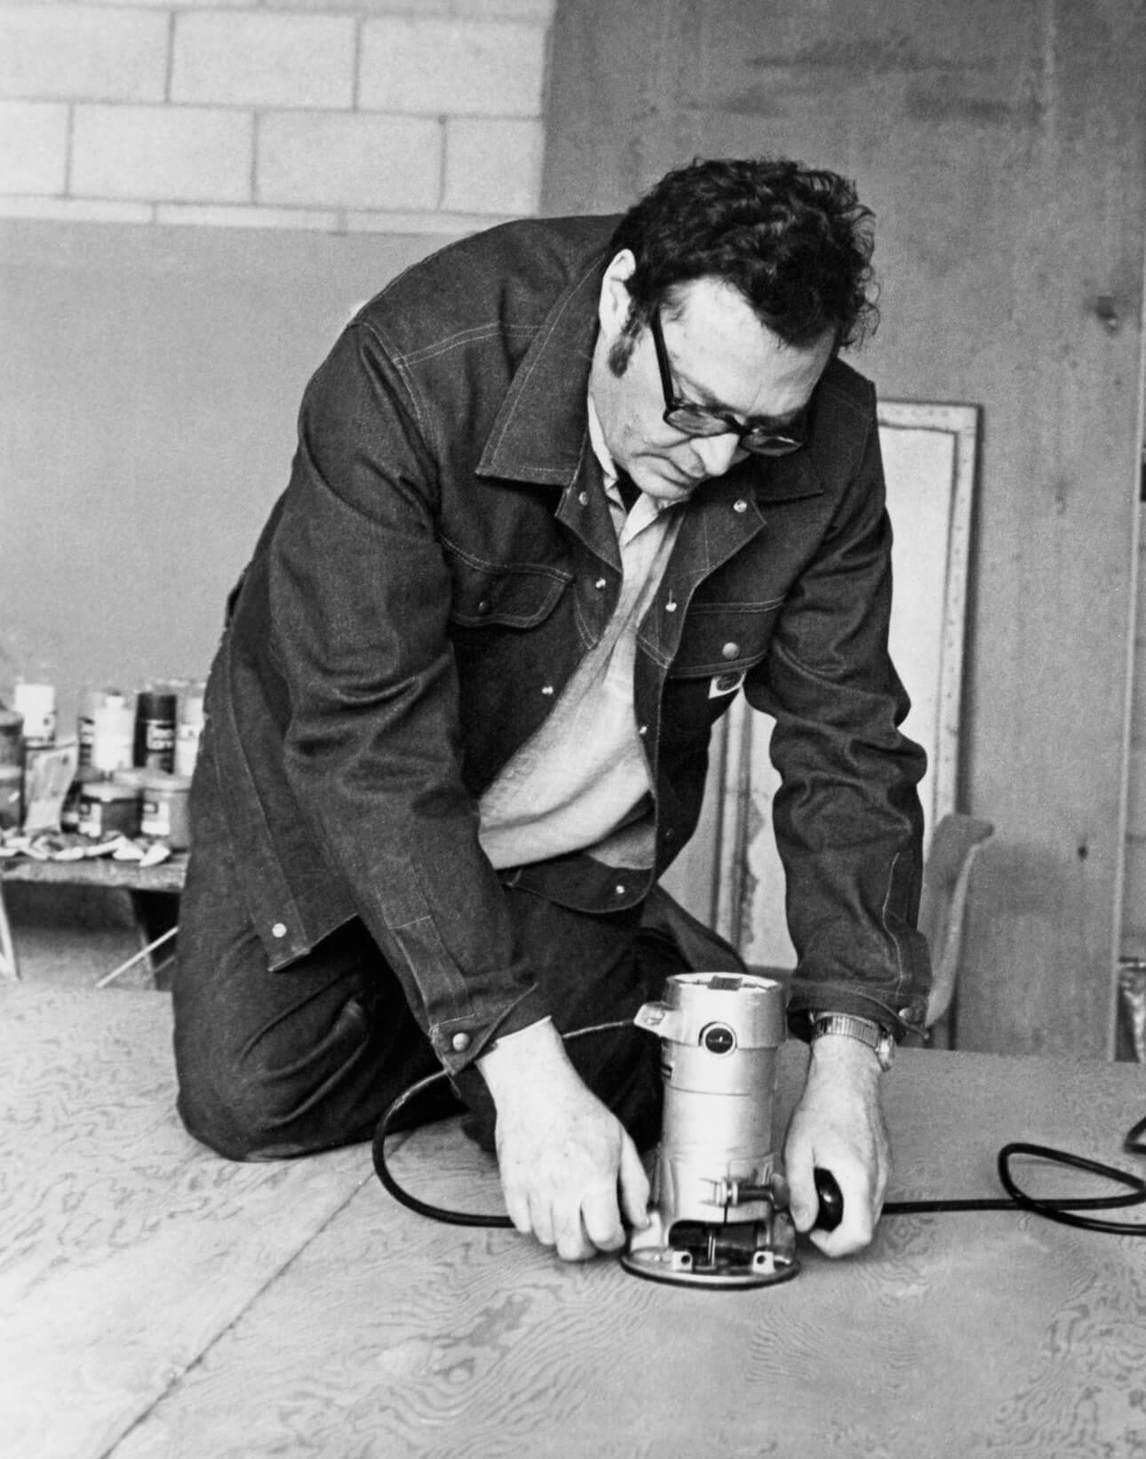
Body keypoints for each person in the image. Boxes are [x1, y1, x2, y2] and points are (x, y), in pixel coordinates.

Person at [172, 156, 931, 1265]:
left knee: (640, 1120)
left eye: (761, 431)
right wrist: (519, 1072)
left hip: (555, 852)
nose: (718, 458)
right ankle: (491, 988)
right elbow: (363, 741)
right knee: (248, 1095)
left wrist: (850, 1055)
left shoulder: (828, 437)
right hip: (333, 799)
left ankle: (523, 983)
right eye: (697, 408)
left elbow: (849, 741)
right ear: (624, 302)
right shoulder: (412, 368)